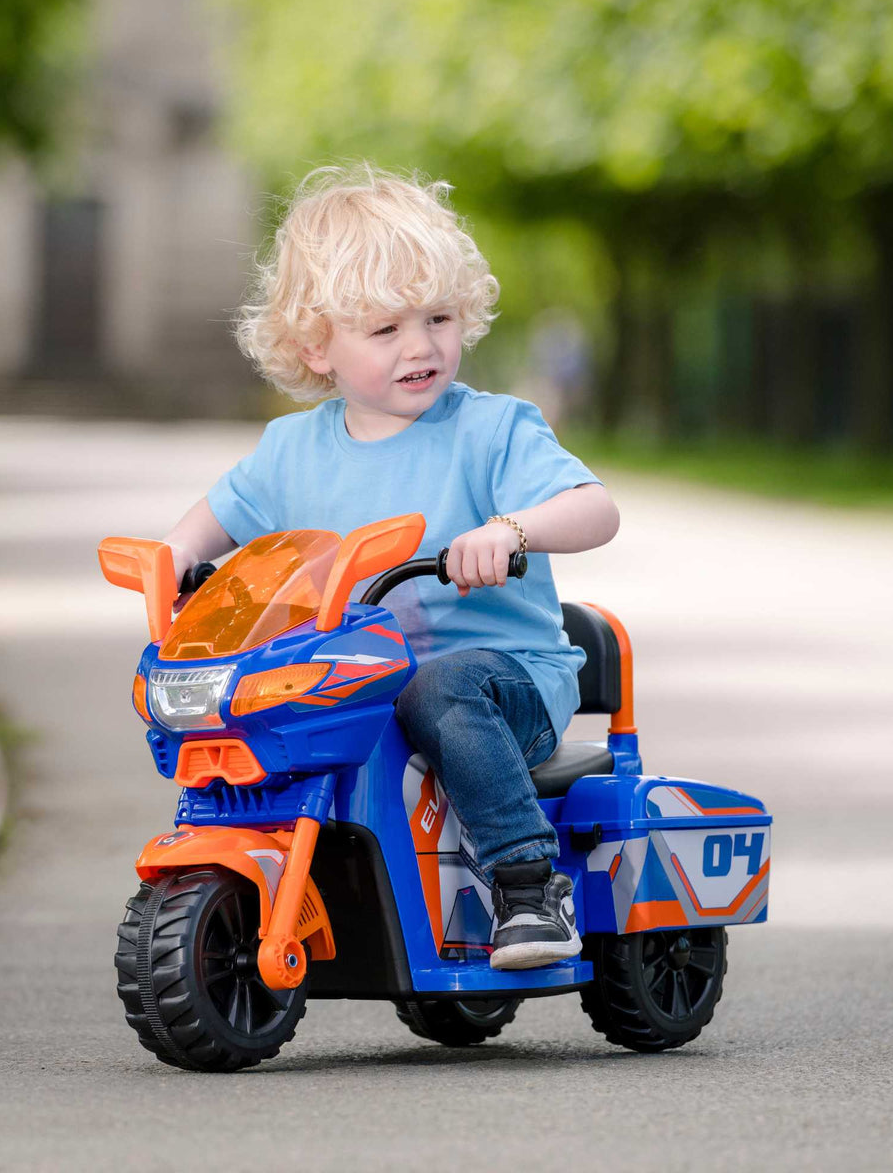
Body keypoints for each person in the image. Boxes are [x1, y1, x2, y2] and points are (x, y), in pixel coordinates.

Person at [162, 164, 619, 970]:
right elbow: (201, 531)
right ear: (316, 344)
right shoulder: (290, 451)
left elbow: (595, 510)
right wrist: (171, 570)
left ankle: (523, 881)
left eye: (438, 317)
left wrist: (511, 530)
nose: (422, 346)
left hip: (501, 681)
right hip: (353, 678)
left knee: (438, 686)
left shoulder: (492, 430)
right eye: (385, 330)